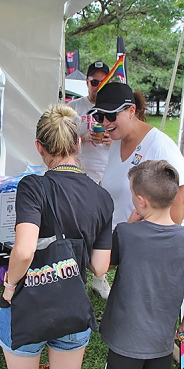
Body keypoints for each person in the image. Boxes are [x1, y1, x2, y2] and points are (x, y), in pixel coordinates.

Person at [0, 104, 114, 369]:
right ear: (77, 144)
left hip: (26, 303)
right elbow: (99, 267)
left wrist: (9, 285)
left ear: (39, 147)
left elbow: (24, 252)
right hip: (72, 304)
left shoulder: (32, 187)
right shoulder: (102, 196)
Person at [99, 160, 184, 369]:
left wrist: (129, 221)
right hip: (162, 338)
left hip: (125, 337)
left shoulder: (126, 233)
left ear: (140, 201)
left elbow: (105, 266)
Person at [93, 82, 184, 226]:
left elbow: (180, 202)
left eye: (111, 115)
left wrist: (164, 240)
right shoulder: (116, 145)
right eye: (99, 116)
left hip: (149, 243)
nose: (105, 123)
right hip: (120, 239)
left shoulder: (161, 146)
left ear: (132, 111)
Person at [67, 60, 112, 299]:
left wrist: (111, 140)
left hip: (110, 175)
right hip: (82, 175)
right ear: (86, 83)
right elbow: (62, 145)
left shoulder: (116, 107)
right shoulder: (74, 108)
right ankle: (73, 275)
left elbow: (130, 139)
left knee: (105, 228)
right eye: (94, 81)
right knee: (80, 228)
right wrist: (83, 139)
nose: (98, 86)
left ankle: (99, 277)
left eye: (104, 81)